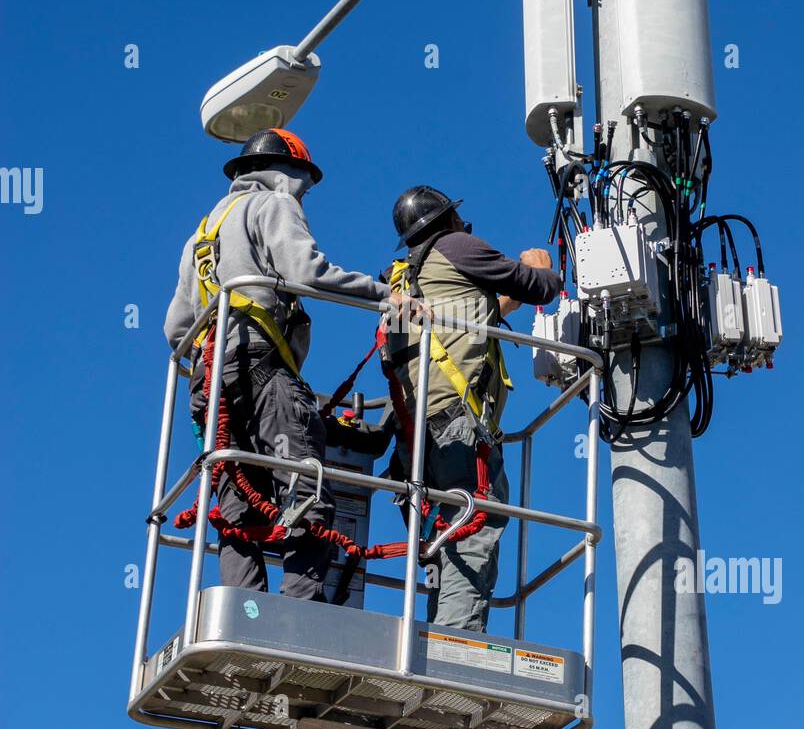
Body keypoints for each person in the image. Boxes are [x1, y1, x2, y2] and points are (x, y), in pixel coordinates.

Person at [164, 128, 390, 600]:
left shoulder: (201, 233)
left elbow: (175, 330)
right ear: (287, 176)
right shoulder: (274, 204)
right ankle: (298, 613)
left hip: (210, 380)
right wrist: (388, 297)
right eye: (304, 186)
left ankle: (245, 613)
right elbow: (307, 272)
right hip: (261, 366)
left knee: (238, 505)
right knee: (307, 486)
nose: (304, 197)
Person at [386, 186, 561, 632]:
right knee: (475, 529)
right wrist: (542, 267)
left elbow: (458, 319)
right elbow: (539, 288)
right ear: (448, 220)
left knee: (447, 536)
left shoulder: (404, 276)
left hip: (415, 433)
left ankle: (435, 639)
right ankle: (455, 646)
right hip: (457, 429)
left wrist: (505, 302)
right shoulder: (456, 245)